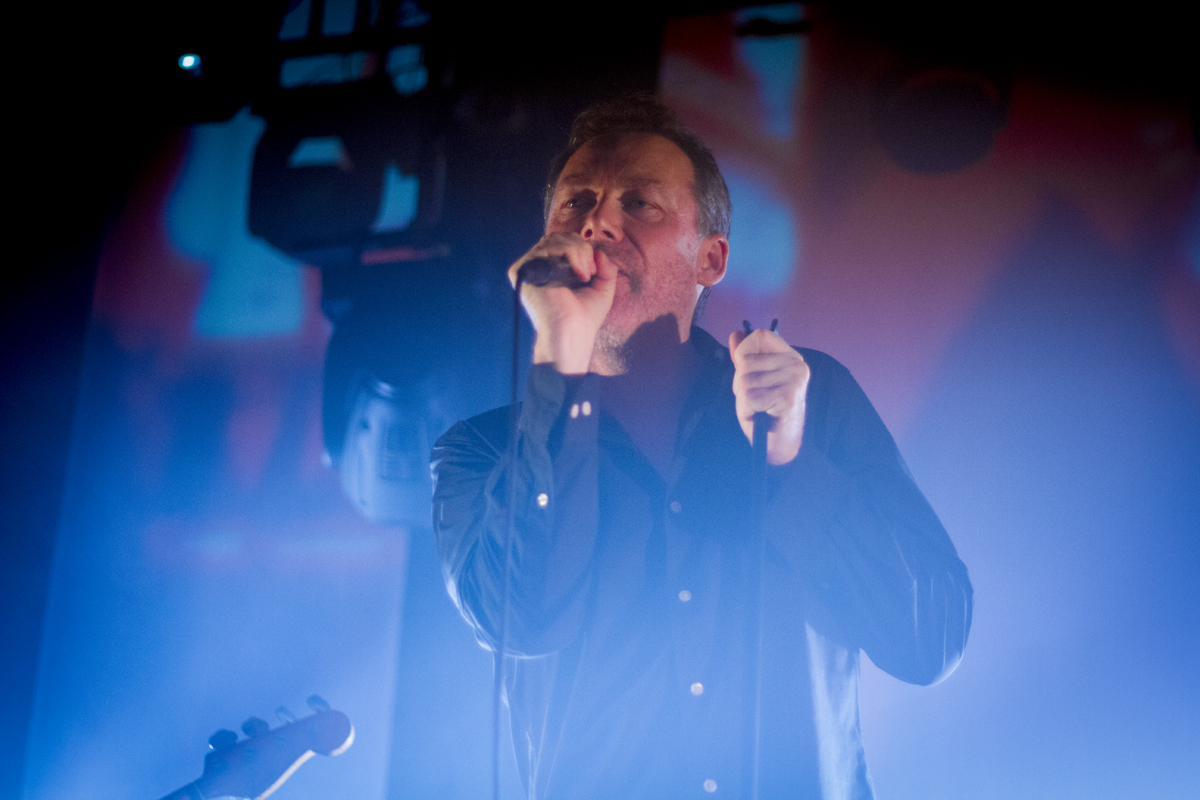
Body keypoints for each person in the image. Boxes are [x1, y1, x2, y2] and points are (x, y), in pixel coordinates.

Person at [430, 95, 973, 800]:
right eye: (575, 206)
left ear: (710, 258)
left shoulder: (815, 398)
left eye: (641, 204)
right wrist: (559, 356)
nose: (597, 222)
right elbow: (523, 618)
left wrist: (790, 461)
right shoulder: (479, 450)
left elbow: (929, 641)